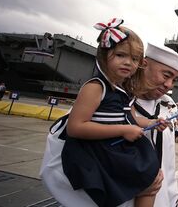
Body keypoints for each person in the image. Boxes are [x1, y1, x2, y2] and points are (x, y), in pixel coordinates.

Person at [40, 18, 167, 207]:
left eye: (134, 59)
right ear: (103, 55)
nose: (128, 63)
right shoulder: (95, 87)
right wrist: (123, 130)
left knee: (152, 175)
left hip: (114, 147)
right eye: (121, 55)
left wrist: (151, 122)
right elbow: (76, 127)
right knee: (148, 177)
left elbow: (130, 118)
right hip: (96, 150)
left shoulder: (124, 90)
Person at [133, 42, 178, 207]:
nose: (169, 85)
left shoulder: (168, 107)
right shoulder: (107, 103)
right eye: (166, 75)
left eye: (174, 79)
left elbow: (169, 165)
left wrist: (172, 199)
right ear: (144, 65)